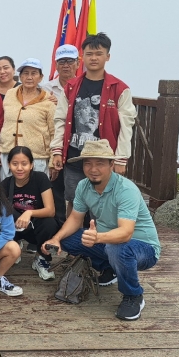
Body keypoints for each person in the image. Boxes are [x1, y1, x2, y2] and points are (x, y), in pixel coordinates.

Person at [42, 140, 161, 321]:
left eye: (100, 163)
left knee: (118, 248)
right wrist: (56, 239)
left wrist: (97, 238)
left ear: (112, 164)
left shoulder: (126, 189)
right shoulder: (83, 186)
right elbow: (75, 218)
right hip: (106, 240)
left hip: (144, 247)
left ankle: (133, 295)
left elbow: (126, 233)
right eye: (88, 163)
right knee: (67, 239)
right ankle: (110, 269)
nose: (93, 169)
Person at [50, 33, 136, 220]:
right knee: (73, 201)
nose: (94, 58)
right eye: (89, 54)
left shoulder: (119, 88)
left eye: (99, 54)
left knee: (103, 203)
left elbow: (126, 125)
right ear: (82, 57)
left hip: (103, 159)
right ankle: (73, 238)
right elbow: (60, 120)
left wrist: (121, 159)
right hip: (75, 156)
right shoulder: (71, 86)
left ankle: (100, 238)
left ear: (108, 56)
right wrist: (57, 150)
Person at [1, 146, 59, 281]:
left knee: (50, 224)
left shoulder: (40, 179)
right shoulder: (6, 184)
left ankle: (41, 257)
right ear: (9, 165)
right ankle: (13, 248)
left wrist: (29, 212)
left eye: (24, 164)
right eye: (15, 164)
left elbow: (51, 210)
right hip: (14, 228)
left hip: (35, 227)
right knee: (2, 215)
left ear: (31, 165)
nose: (19, 168)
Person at [0, 58, 55, 180]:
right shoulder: (10, 94)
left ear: (40, 77)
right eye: (26, 73)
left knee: (35, 190)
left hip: (36, 157)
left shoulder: (48, 101)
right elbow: (5, 124)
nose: (29, 77)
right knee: (7, 189)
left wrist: (53, 159)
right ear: (20, 76)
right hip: (9, 153)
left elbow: (54, 132)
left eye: (34, 73)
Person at [42, 44, 80, 225]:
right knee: (55, 185)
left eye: (70, 61)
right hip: (55, 143)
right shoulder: (46, 88)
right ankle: (58, 224)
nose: (66, 65)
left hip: (77, 144)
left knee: (79, 188)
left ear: (78, 63)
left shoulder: (84, 86)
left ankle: (80, 226)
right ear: (56, 65)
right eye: (62, 61)